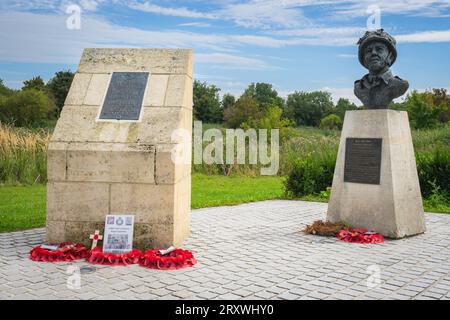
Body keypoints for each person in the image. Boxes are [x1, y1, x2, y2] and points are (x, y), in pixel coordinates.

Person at [354, 29, 409, 109]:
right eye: (368, 51)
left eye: (379, 49)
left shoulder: (400, 84)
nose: (373, 53)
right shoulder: (358, 87)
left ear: (390, 57)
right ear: (364, 59)